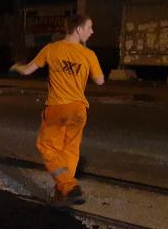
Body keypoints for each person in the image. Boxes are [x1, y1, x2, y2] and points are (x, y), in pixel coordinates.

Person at [10, 14, 105, 206]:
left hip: (57, 108)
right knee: (70, 151)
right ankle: (63, 194)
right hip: (79, 110)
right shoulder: (89, 55)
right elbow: (100, 80)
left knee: (46, 146)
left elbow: (28, 70)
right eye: (90, 27)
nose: (92, 31)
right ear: (79, 29)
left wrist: (17, 67)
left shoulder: (51, 49)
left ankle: (69, 186)